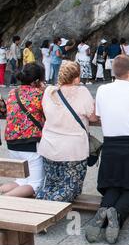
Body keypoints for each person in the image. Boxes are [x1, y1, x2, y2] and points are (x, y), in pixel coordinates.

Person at [85, 55, 129, 245]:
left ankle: (103, 211)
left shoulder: (102, 90)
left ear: (113, 71)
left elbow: (98, 115)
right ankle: (116, 215)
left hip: (111, 145)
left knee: (113, 185)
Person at [36, 61, 98, 202]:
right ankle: (47, 208)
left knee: (50, 185)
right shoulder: (82, 92)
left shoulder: (49, 91)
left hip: (49, 147)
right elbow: (93, 117)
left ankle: (40, 203)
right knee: (70, 188)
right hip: (73, 150)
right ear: (76, 78)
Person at [0, 63, 45, 197]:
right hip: (30, 143)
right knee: (35, 184)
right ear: (37, 80)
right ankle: (4, 201)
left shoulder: (12, 92)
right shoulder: (40, 94)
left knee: (22, 180)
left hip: (11, 142)